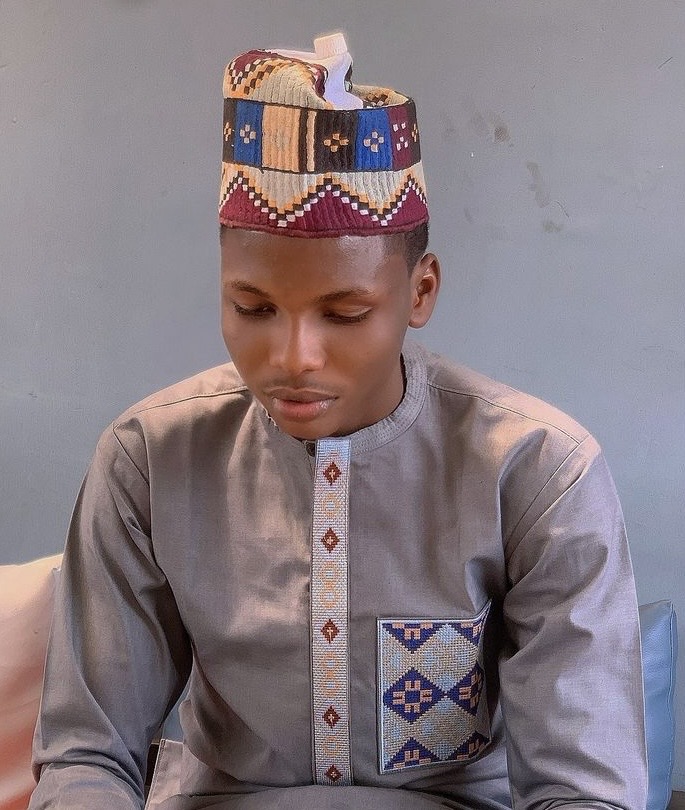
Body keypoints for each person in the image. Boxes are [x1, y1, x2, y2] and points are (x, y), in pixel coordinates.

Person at [29, 33, 647, 810]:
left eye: (345, 313)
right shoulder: (149, 458)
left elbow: (583, 789)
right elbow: (86, 751)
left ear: (419, 293)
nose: (293, 357)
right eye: (252, 308)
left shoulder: (538, 471)